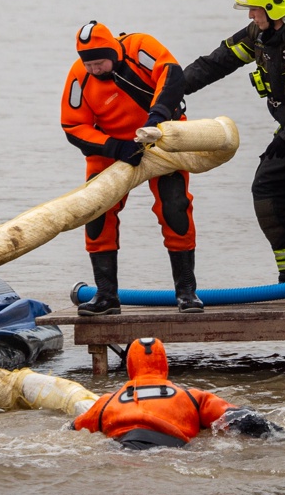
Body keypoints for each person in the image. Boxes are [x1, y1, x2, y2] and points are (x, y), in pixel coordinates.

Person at [182, 0, 285, 283]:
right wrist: (172, 90)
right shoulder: (259, 34)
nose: (250, 15)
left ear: (273, 9)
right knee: (267, 191)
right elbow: (216, 62)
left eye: (255, 9)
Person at [61, 21, 201, 316]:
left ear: (113, 52)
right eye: (89, 64)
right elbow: (74, 127)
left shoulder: (140, 47)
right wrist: (115, 147)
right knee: (96, 213)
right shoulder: (79, 77)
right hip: (112, 148)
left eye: (99, 62)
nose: (94, 69)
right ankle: (106, 296)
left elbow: (171, 74)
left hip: (161, 137)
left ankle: (187, 293)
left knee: (174, 208)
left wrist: (157, 118)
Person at [73, 337, 282, 449]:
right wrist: (282, 434)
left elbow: (73, 429)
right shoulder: (191, 397)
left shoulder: (106, 402)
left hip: (121, 447)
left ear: (130, 367)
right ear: (164, 364)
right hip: (172, 448)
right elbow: (238, 418)